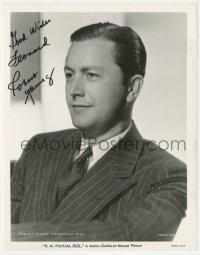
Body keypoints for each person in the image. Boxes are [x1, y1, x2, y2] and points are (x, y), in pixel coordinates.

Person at [11, 22, 187, 241]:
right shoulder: (38, 148)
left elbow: (128, 237)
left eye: (92, 75)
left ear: (133, 88)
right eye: (69, 74)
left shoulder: (167, 173)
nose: (74, 90)